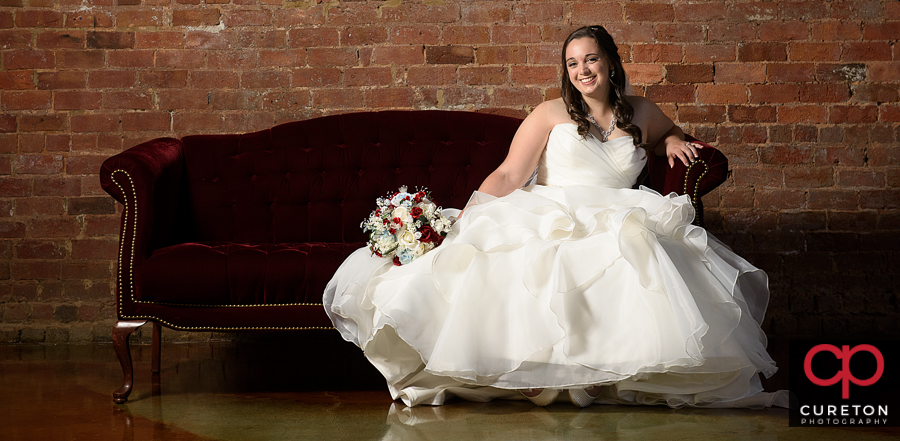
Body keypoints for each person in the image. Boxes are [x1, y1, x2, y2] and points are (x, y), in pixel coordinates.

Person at [324, 25, 785, 408]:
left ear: (610, 62)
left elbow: (671, 131)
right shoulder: (550, 113)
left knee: (640, 252)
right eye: (573, 63)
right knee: (537, 261)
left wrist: (669, 142)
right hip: (550, 207)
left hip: (617, 209)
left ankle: (606, 371)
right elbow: (509, 173)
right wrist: (465, 216)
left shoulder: (642, 111)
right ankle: (543, 374)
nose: (582, 70)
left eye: (591, 59)